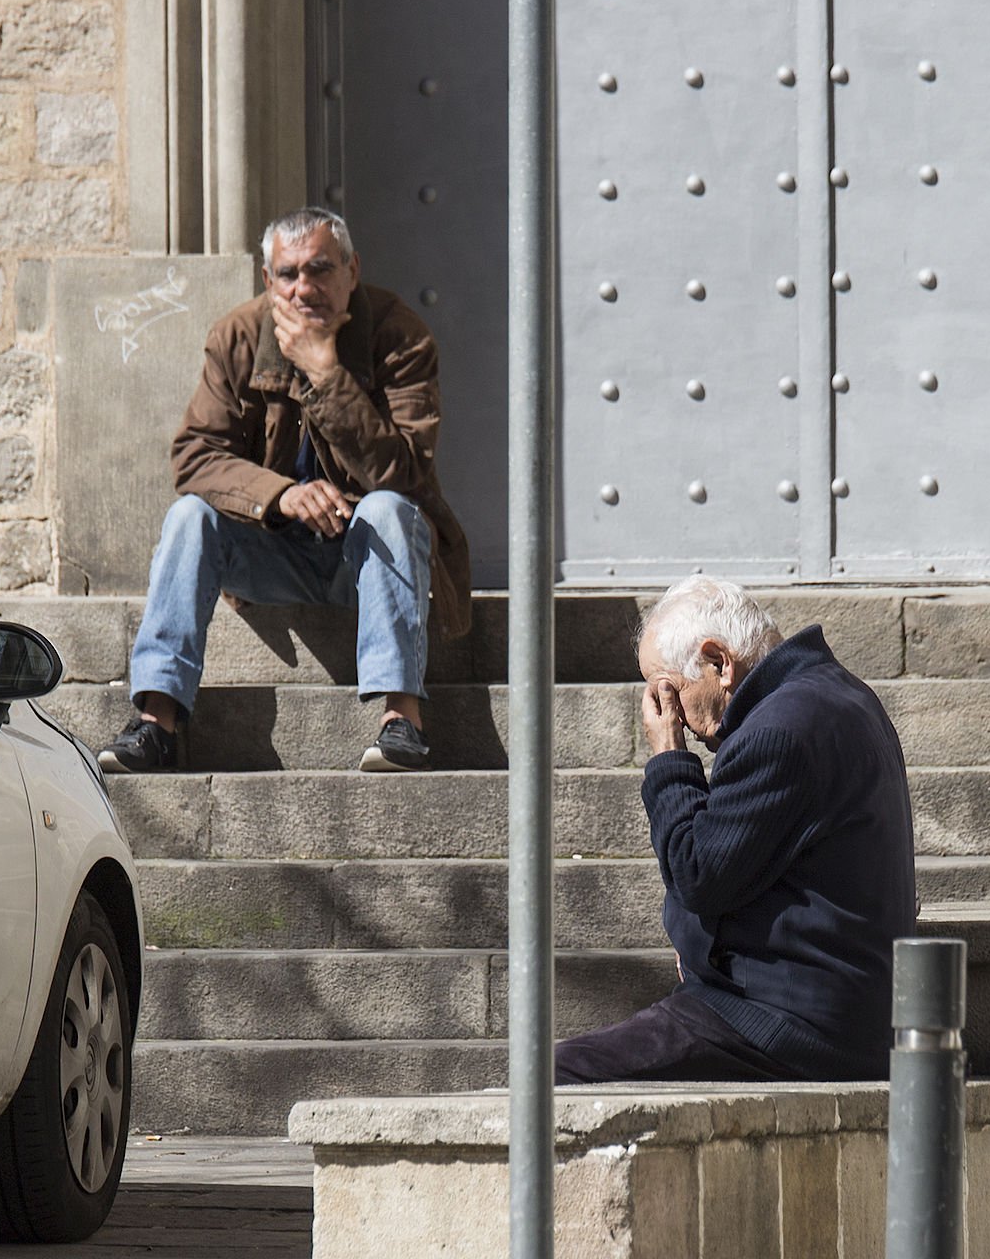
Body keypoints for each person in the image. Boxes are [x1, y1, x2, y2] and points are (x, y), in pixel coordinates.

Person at [98, 207, 470, 775]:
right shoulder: (238, 336)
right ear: (269, 282)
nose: (305, 288)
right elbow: (195, 456)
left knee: (391, 508)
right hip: (269, 554)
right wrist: (279, 495)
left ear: (351, 270)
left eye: (320, 269)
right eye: (289, 274)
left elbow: (405, 473)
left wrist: (327, 375)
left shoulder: (399, 336)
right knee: (189, 517)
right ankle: (156, 721)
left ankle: (402, 720)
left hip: (365, 556)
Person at [554, 576, 916, 1083]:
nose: (669, 712)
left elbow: (697, 874)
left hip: (794, 1024)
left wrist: (669, 758)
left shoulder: (778, 730)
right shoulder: (841, 697)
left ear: (719, 663)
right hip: (832, 1011)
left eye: (670, 689)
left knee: (553, 1076)